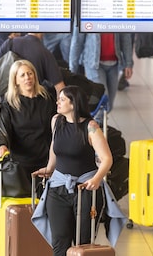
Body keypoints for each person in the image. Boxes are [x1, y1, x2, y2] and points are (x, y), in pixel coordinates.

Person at [33, 86, 113, 255]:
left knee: (82, 243)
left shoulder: (90, 127)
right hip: (58, 188)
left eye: (62, 99)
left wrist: (97, 179)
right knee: (59, 242)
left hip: (85, 190)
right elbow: (54, 149)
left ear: (74, 103)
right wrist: (49, 168)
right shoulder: (56, 121)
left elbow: (107, 159)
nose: (57, 102)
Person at [0, 33, 64, 124]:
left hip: (9, 106)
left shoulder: (10, 43)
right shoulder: (45, 53)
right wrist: (61, 115)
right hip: (33, 111)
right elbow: (60, 88)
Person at [0, 59, 57, 185]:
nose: (27, 78)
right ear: (15, 80)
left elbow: (56, 127)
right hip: (20, 163)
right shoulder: (9, 104)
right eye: (22, 75)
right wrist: (2, 145)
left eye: (30, 73)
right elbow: (3, 130)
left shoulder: (46, 98)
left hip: (45, 160)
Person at [69, 30, 133, 114]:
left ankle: (97, 123)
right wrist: (72, 68)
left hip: (114, 64)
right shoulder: (86, 16)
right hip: (93, 64)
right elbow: (77, 42)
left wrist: (128, 63)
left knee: (109, 104)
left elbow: (126, 39)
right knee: (102, 101)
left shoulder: (118, 17)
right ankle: (97, 124)